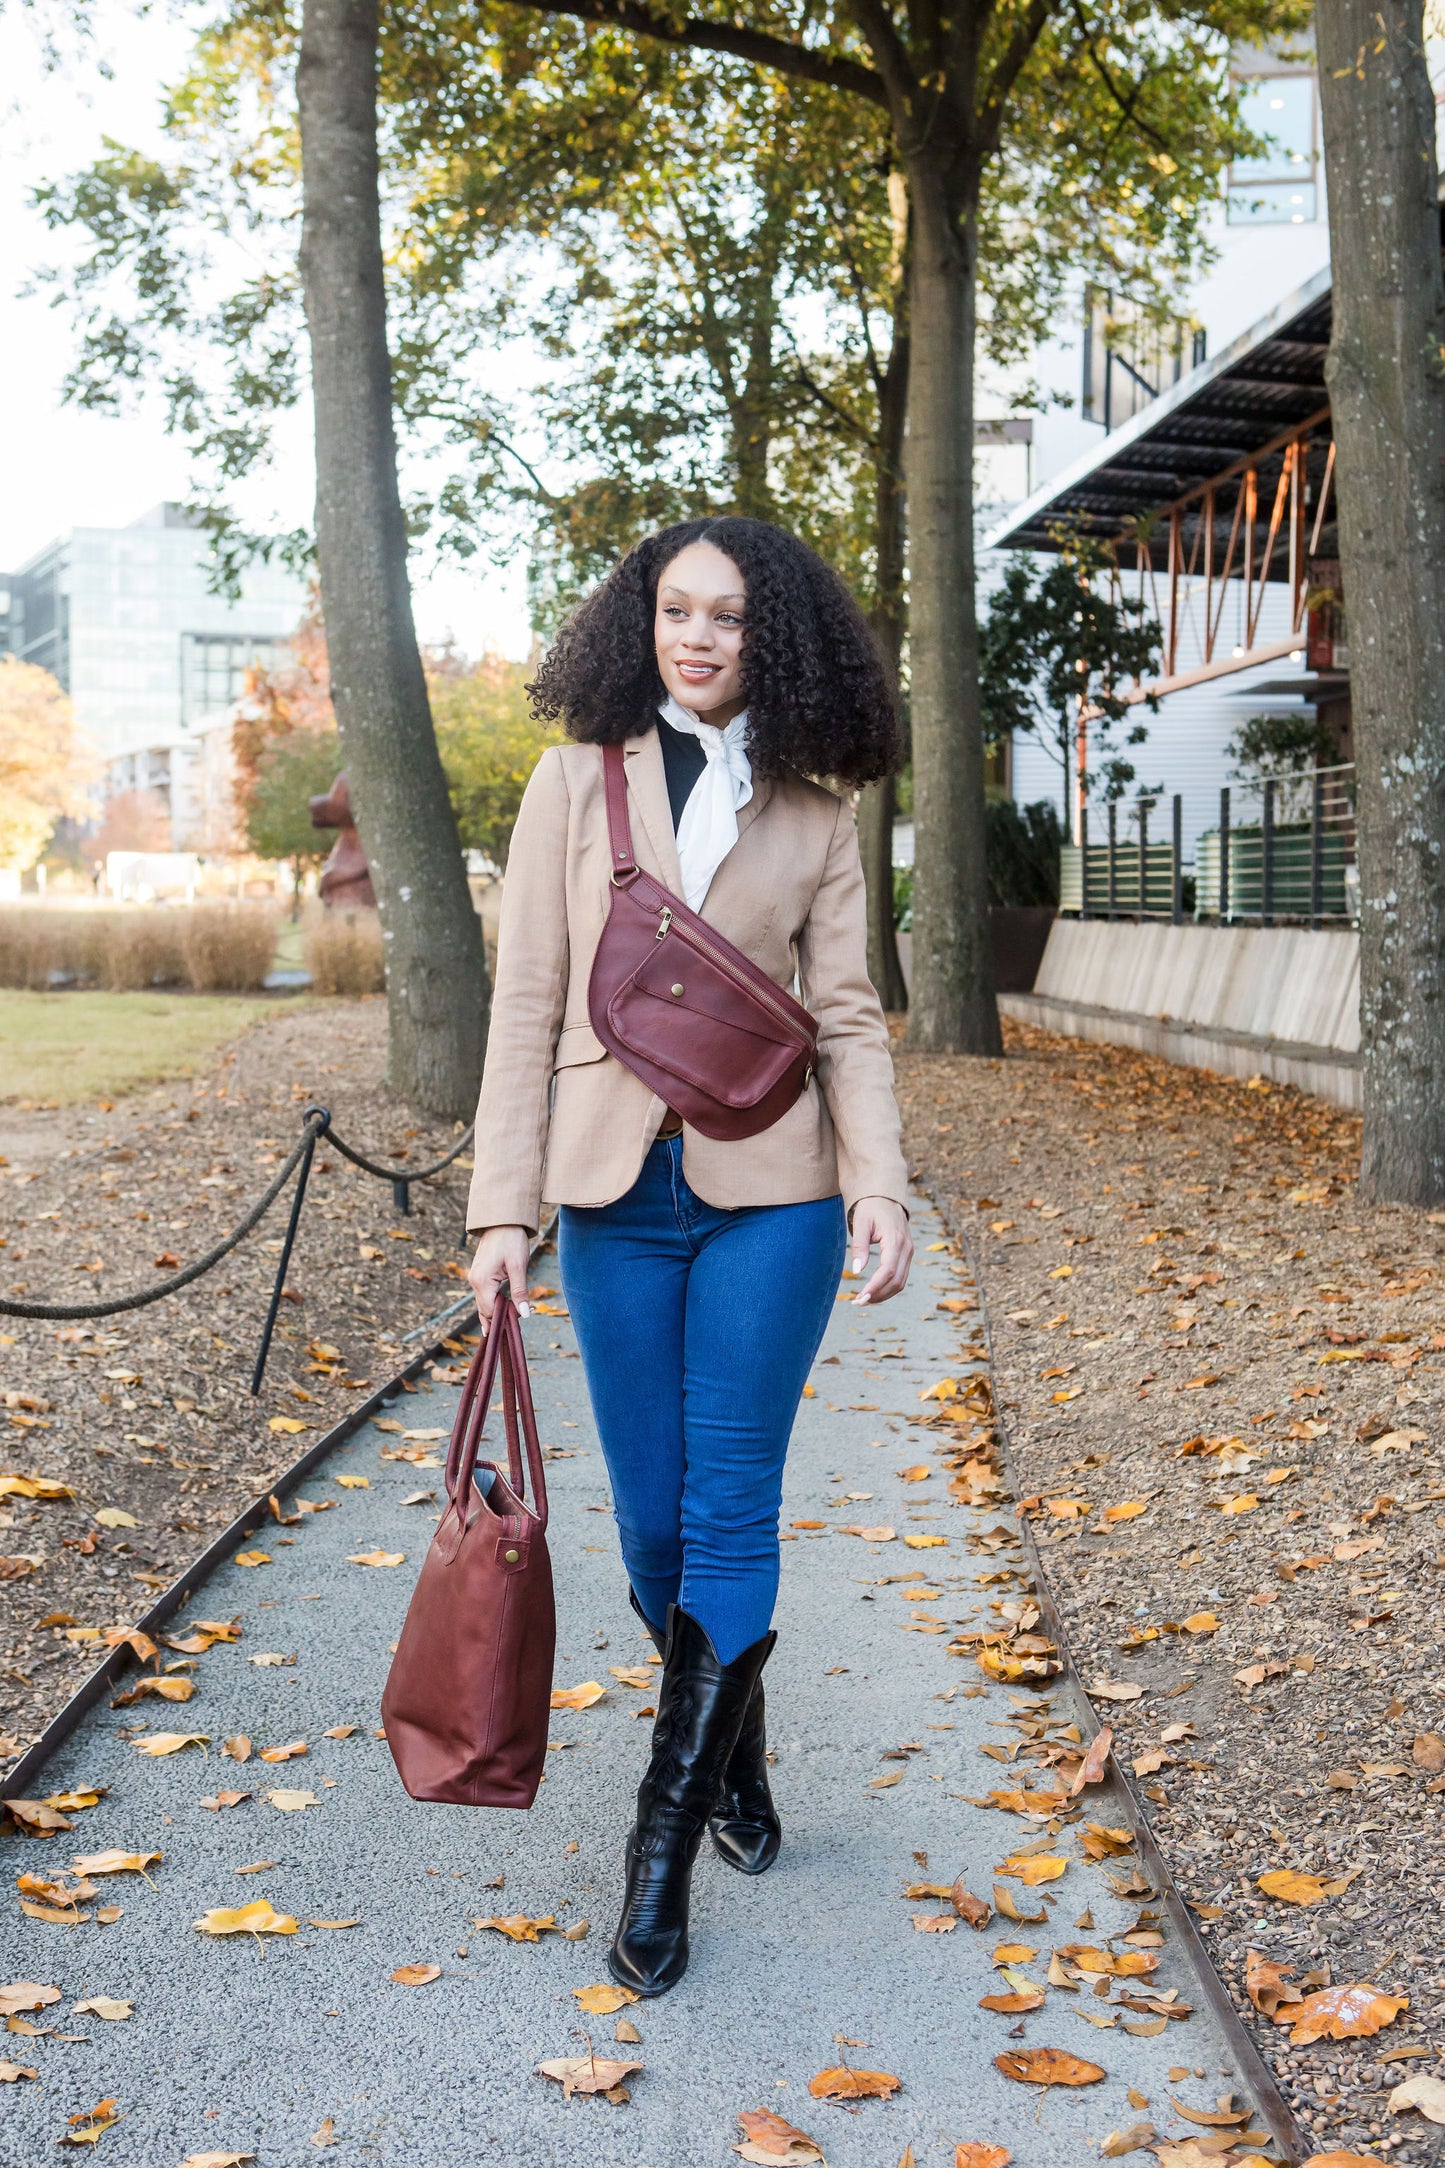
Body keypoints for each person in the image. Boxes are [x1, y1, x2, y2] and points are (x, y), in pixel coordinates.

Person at [466, 515, 913, 1996]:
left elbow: (844, 1013)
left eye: (726, 616)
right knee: (652, 1528)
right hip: (608, 1195)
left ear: (768, 636)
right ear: (639, 624)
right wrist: (498, 1214)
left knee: (730, 1509)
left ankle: (657, 1854)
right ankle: (735, 1735)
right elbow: (525, 1004)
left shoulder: (815, 805)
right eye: (675, 610)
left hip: (770, 1197)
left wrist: (879, 1186)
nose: (699, 637)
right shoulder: (569, 785)